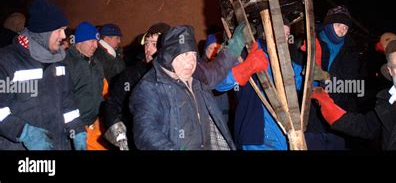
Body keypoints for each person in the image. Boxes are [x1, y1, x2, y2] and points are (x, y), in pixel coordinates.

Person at [129, 25, 268, 150]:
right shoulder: (148, 88)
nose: (190, 62)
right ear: (168, 57)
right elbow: (146, 133)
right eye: (183, 55)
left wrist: (236, 44)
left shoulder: (196, 75)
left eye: (193, 55)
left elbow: (217, 69)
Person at [0, 0, 86, 150]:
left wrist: (77, 130)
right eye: (59, 30)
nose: (64, 36)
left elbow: (68, 104)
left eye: (64, 30)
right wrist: (24, 132)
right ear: (42, 32)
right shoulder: (6, 61)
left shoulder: (59, 62)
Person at [216, 20, 302, 150]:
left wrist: (315, 76)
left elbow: (305, 83)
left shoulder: (287, 62)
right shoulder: (247, 53)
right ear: (265, 32)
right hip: (256, 138)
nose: (284, 38)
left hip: (285, 137)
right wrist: (247, 67)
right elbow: (219, 83)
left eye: (287, 34)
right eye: (279, 32)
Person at [103, 22, 170, 150]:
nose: (148, 49)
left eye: (154, 44)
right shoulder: (132, 75)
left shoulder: (177, 75)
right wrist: (120, 136)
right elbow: (112, 104)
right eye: (147, 43)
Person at [305, 5, 362, 150]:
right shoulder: (311, 43)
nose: (342, 30)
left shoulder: (350, 52)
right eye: (338, 25)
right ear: (329, 24)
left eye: (345, 27)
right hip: (311, 118)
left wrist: (327, 79)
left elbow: (351, 85)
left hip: (337, 119)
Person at [64, 21, 108, 150]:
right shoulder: (66, 63)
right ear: (79, 41)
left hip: (95, 125)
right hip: (75, 127)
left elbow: (101, 92)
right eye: (91, 41)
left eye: (96, 41)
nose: (95, 45)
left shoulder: (96, 64)